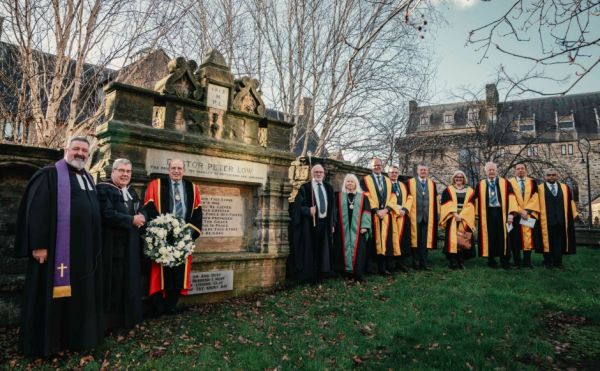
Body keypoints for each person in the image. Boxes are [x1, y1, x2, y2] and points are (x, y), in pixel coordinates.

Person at [15, 136, 103, 357]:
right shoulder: (49, 175)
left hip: (81, 254)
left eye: (85, 150)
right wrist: (38, 246)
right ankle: (48, 344)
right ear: (66, 150)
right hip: (55, 253)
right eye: (76, 149)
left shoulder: (88, 177)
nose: (80, 153)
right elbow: (36, 211)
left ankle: (73, 339)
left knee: (76, 299)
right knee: (51, 300)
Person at [143, 158, 202, 315]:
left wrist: (187, 235)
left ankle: (171, 305)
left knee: (179, 271)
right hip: (162, 236)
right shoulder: (156, 185)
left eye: (179, 168)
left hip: (183, 237)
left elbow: (197, 213)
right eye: (173, 168)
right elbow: (149, 207)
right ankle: (157, 307)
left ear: (184, 170)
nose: (176, 171)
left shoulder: (193, 188)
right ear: (168, 169)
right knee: (160, 271)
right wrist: (161, 229)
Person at [97, 159, 146, 331]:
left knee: (130, 279)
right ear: (113, 171)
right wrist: (131, 219)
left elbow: (141, 208)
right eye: (121, 171)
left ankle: (129, 319)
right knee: (114, 280)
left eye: (128, 171)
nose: (125, 174)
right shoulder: (104, 189)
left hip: (130, 244)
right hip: (112, 244)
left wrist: (142, 216)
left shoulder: (131, 191)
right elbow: (107, 214)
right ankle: (111, 323)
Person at [289, 164, 335, 284]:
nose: (318, 174)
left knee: (323, 249)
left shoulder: (329, 188)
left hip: (325, 224)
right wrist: (308, 210)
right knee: (311, 249)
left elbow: (333, 208)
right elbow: (298, 206)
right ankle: (310, 275)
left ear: (324, 174)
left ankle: (322, 273)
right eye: (316, 172)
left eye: (321, 172)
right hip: (310, 224)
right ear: (312, 173)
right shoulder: (305, 188)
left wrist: (333, 223)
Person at [474, 162, 516, 269]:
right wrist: (476, 215)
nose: (491, 172)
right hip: (487, 213)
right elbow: (476, 200)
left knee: (504, 236)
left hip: (502, 212)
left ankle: (504, 260)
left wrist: (511, 215)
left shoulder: (505, 183)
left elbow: (511, 198)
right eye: (489, 170)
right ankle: (491, 260)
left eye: (493, 170)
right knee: (490, 236)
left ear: (496, 171)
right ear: (486, 172)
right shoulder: (480, 184)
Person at [360, 158, 397, 275]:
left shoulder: (388, 180)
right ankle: (371, 268)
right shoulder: (365, 180)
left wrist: (386, 210)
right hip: (372, 215)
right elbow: (366, 196)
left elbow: (393, 196)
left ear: (382, 166)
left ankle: (383, 267)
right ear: (371, 167)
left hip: (386, 215)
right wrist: (376, 210)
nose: (377, 167)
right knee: (372, 241)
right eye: (375, 165)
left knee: (386, 241)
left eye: (379, 165)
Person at [332, 174, 371, 281]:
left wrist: (365, 226)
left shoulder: (363, 197)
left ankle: (357, 272)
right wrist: (333, 224)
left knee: (359, 250)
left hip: (358, 229)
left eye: (352, 181)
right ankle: (344, 272)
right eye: (348, 181)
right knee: (341, 248)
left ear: (356, 183)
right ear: (345, 183)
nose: (349, 183)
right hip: (342, 229)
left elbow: (367, 211)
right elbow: (333, 212)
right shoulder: (338, 196)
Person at [537, 168, 578, 269]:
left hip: (561, 220)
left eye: (553, 175)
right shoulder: (540, 188)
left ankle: (558, 262)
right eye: (549, 175)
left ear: (557, 176)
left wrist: (574, 214)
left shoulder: (564, 188)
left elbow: (570, 202)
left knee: (559, 242)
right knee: (547, 242)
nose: (551, 177)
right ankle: (547, 261)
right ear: (545, 177)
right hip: (546, 220)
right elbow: (535, 203)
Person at [439, 170, 476, 269]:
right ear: (454, 178)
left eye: (461, 177)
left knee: (463, 240)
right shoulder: (448, 190)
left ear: (464, 179)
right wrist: (455, 214)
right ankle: (453, 261)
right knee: (453, 240)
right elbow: (446, 203)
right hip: (452, 218)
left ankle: (461, 261)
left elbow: (471, 205)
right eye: (457, 177)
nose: (458, 179)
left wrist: (462, 215)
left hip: (465, 219)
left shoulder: (470, 191)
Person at [406, 164, 438, 270]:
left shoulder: (432, 184)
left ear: (427, 171)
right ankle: (416, 263)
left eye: (425, 170)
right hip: (414, 216)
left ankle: (424, 263)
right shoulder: (410, 183)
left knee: (425, 241)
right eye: (421, 170)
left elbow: (436, 200)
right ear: (417, 171)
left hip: (427, 217)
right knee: (415, 240)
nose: (423, 171)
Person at [507, 163, 540, 268]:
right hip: (514, 215)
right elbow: (509, 197)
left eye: (522, 168)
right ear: (514, 171)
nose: (520, 170)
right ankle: (517, 262)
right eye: (518, 169)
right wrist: (519, 211)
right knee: (514, 238)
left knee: (528, 238)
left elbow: (535, 197)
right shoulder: (509, 182)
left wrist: (528, 211)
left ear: (526, 170)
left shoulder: (532, 182)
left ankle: (527, 262)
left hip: (528, 215)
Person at [388, 165, 412, 272]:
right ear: (388, 173)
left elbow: (410, 198)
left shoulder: (403, 185)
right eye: (392, 172)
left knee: (403, 239)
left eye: (396, 172)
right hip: (391, 215)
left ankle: (401, 263)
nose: (394, 174)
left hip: (402, 215)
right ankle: (391, 264)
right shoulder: (385, 184)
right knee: (391, 239)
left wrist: (405, 210)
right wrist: (395, 210)